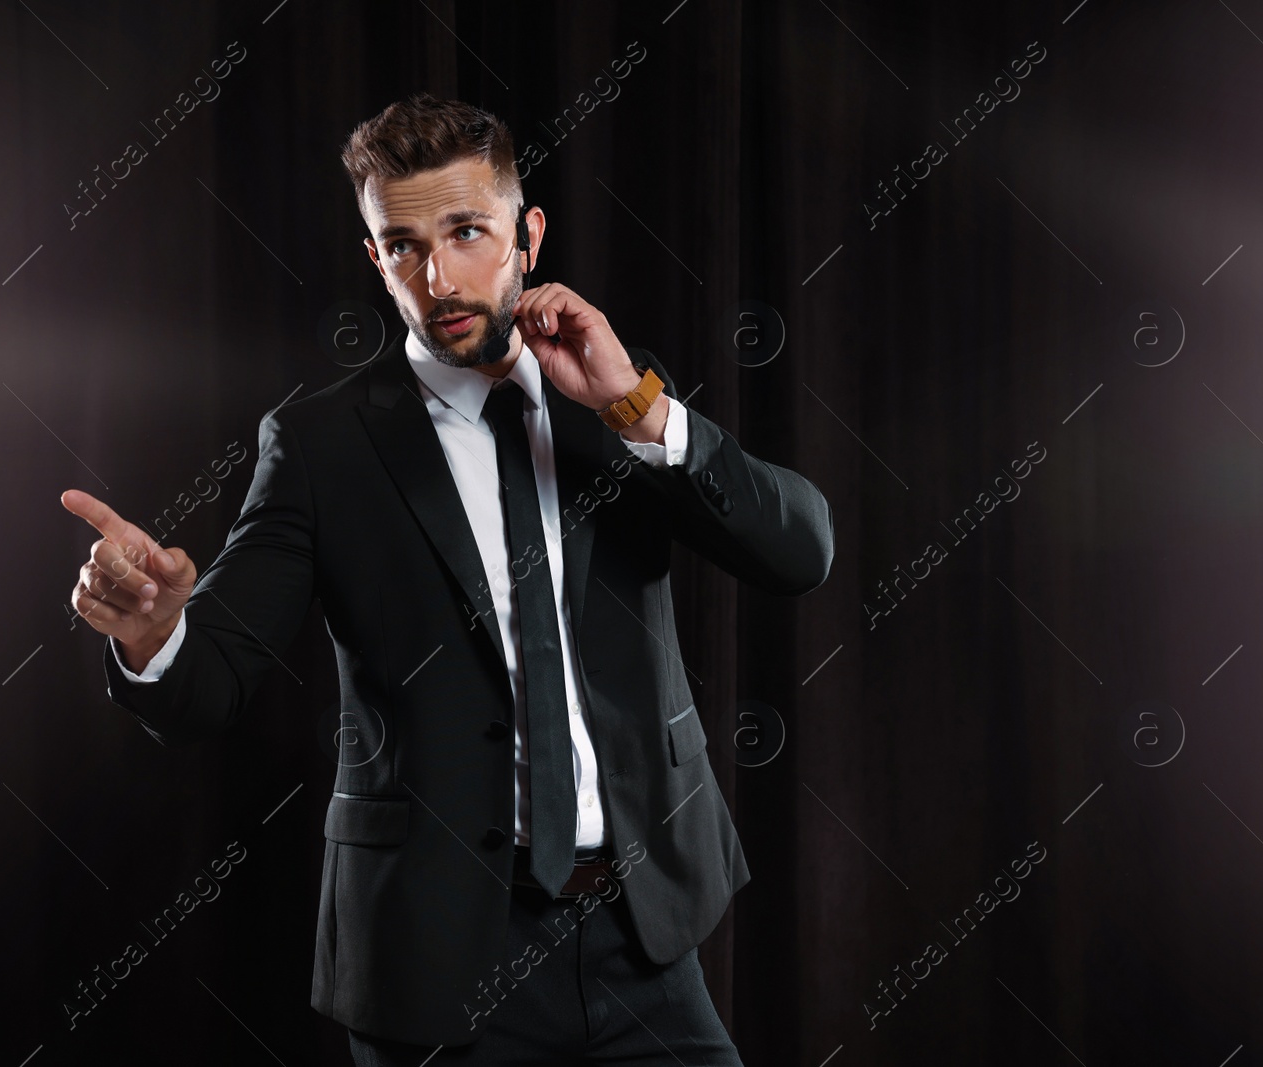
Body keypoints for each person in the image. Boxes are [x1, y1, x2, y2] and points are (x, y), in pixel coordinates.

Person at [61, 92, 834, 1065]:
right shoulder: (318, 445)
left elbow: (799, 554)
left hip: (644, 929)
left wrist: (641, 411)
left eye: (467, 231)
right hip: (437, 959)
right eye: (402, 245)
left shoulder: (614, 393)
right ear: (376, 257)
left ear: (527, 235)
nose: (438, 276)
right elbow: (205, 684)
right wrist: (151, 627)